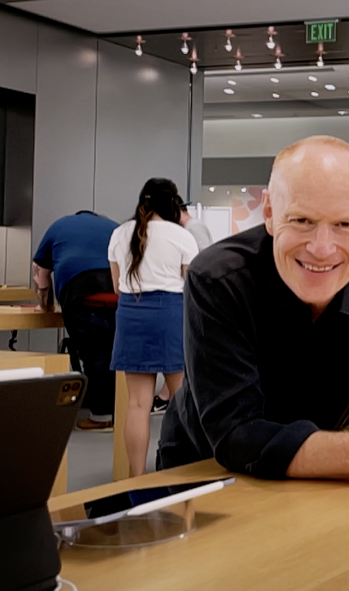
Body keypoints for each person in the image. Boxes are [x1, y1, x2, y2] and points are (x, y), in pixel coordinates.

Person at [158, 136, 349, 491]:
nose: (321, 248)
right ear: (269, 212)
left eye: (345, 225)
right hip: (205, 473)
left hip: (319, 475)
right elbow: (237, 433)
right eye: (301, 220)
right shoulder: (220, 279)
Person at [108, 178, 199, 476]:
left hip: (131, 313)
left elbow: (116, 286)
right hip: (171, 313)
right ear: (173, 204)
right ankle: (185, 470)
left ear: (142, 201)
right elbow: (192, 286)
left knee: (137, 404)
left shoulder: (120, 233)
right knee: (184, 398)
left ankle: (136, 478)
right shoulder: (181, 236)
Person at [33, 211, 120, 431]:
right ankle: (122, 409)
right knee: (117, 353)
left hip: (80, 291)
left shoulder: (59, 225)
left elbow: (41, 273)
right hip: (121, 293)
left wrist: (45, 305)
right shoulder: (114, 226)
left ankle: (102, 416)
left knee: (95, 354)